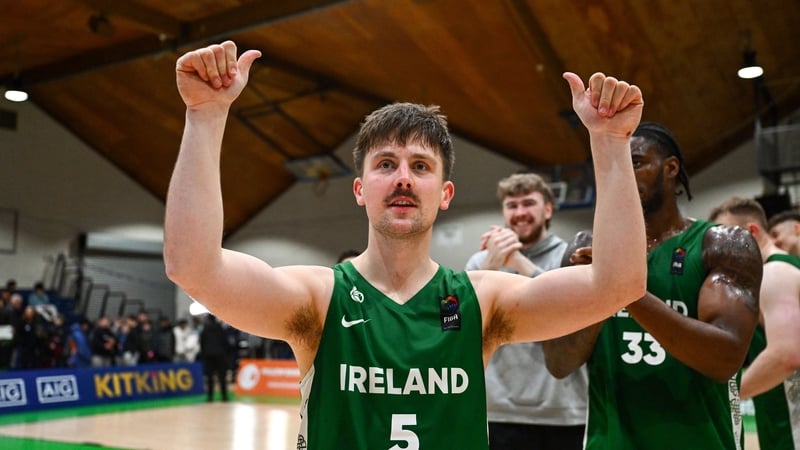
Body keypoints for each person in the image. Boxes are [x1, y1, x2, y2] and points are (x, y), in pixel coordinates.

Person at [164, 40, 647, 449]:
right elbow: (193, 266)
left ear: (444, 194)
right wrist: (205, 116)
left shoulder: (482, 300)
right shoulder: (317, 298)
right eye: (385, 164)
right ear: (359, 189)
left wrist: (610, 143)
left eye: (420, 166)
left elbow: (619, 284)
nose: (403, 179)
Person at [542, 121, 763, 450]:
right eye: (615, 165)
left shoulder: (721, 244)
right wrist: (597, 293)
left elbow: (724, 358)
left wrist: (622, 290)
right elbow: (558, 364)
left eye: (636, 162)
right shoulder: (585, 248)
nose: (623, 174)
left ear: (671, 168)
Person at [465, 172, 586, 450]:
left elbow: (569, 313)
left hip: (563, 411)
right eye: (512, 205)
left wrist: (519, 263)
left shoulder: (569, 255)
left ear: (547, 209)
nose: (520, 213)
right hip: (499, 410)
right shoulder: (481, 262)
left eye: (528, 203)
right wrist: (491, 267)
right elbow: (460, 324)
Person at [709, 197, 800, 450]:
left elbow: (785, 356)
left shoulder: (774, 274)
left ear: (752, 232)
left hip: (792, 418)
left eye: (726, 238)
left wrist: (730, 398)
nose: (720, 248)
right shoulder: (787, 267)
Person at [199, 314, 230, 402]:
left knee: (210, 377)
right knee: (222, 377)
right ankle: (224, 396)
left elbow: (202, 343)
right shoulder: (220, 328)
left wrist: (204, 354)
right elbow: (225, 341)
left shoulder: (205, 329)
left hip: (209, 355)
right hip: (220, 355)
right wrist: (226, 353)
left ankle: (210, 397)